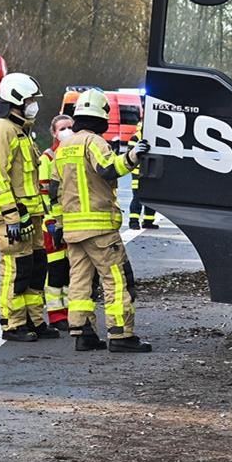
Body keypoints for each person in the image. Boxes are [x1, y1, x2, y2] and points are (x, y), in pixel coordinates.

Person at [49, 89, 152, 352]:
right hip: (99, 228)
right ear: (101, 117)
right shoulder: (94, 142)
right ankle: (121, 335)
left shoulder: (63, 148)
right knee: (117, 279)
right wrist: (133, 156)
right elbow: (108, 169)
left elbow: (55, 192)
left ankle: (83, 334)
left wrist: (59, 226)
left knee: (81, 281)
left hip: (72, 230)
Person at [0, 73, 59, 342]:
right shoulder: (1, 128)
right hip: (11, 216)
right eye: (29, 99)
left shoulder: (22, 130)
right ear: (16, 99)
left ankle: (35, 320)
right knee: (16, 268)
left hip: (31, 214)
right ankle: (13, 324)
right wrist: (11, 216)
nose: (32, 104)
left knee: (37, 266)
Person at [39, 114, 73, 330]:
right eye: (62, 128)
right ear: (54, 133)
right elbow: (44, 193)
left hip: (73, 223)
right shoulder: (48, 158)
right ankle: (56, 314)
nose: (67, 131)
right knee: (56, 272)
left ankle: (71, 312)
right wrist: (52, 221)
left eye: (70, 127)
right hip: (53, 225)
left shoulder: (75, 153)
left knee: (71, 272)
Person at [127, 116, 157, 230]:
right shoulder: (136, 137)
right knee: (138, 197)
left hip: (151, 172)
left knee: (151, 197)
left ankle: (148, 221)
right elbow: (130, 155)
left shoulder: (155, 136)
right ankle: (133, 221)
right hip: (138, 173)